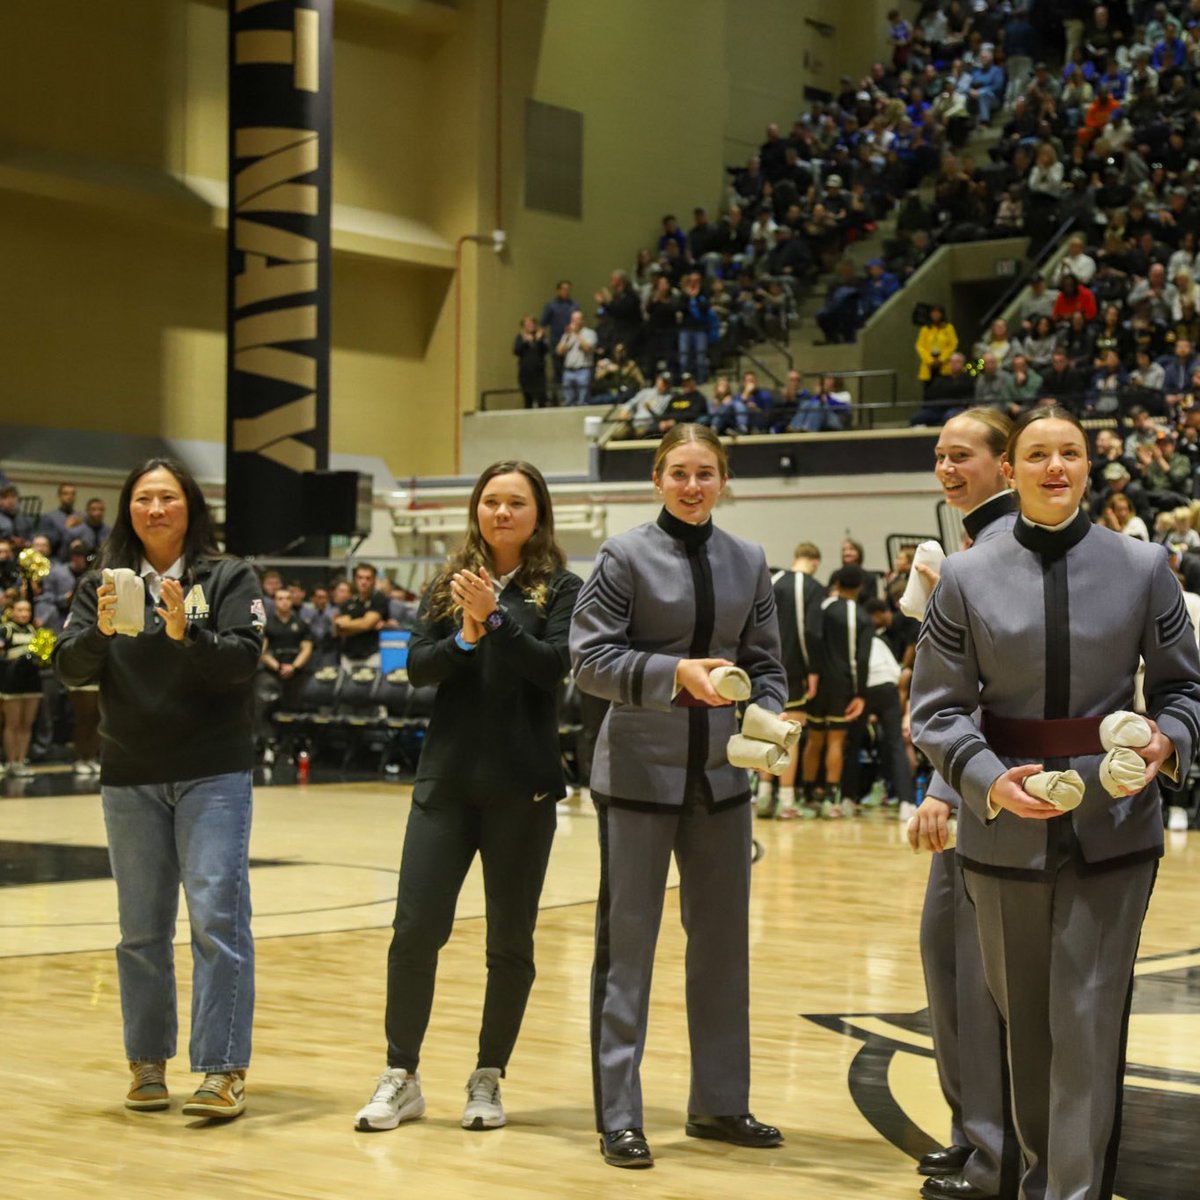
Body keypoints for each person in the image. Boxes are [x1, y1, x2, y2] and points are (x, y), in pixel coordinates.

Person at [911, 407, 1200, 1200]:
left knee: (1089, 1019)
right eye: (1038, 454)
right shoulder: (966, 577)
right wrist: (985, 779)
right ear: (1012, 471)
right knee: (1027, 1030)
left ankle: (1069, 1191)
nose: (1054, 467)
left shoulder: (1144, 568)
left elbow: (1185, 689)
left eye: (1069, 453)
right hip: (1004, 827)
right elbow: (934, 711)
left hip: (1115, 828)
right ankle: (1043, 1176)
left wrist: (1167, 741)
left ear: (1087, 468)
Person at [570, 423, 786, 1169]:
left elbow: (765, 662)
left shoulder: (748, 561)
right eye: (679, 474)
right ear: (657, 480)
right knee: (627, 949)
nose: (693, 486)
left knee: (724, 949)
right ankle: (619, 1115)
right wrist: (673, 676)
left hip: (723, 779)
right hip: (636, 777)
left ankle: (720, 1103)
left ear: (723, 481)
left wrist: (770, 717)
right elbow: (589, 660)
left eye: (706, 474)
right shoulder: (623, 555)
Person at [355, 461, 582, 1134]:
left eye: (516, 502)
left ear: (537, 514)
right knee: (415, 930)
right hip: (446, 786)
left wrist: (499, 622)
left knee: (510, 942)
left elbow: (552, 669)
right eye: (491, 501)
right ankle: (402, 1073)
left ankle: (488, 1077)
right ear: (476, 511)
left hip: (524, 789)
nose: (502, 512)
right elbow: (416, 669)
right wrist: (464, 633)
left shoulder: (561, 588)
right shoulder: (444, 587)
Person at [55, 456, 263, 1118]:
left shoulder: (226, 576)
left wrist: (184, 633)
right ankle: (146, 1064)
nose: (154, 509)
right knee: (140, 930)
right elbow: (68, 668)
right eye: (142, 498)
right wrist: (100, 631)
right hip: (129, 774)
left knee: (217, 921)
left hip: (213, 772)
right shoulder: (104, 584)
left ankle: (222, 1070)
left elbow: (242, 662)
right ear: (128, 510)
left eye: (167, 497)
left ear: (191, 507)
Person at [906, 408, 1018, 1200]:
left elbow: (987, 694)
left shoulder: (1001, 553)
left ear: (1004, 465)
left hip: (993, 790)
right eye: (940, 457)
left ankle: (994, 1148)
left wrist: (945, 787)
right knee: (946, 964)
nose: (949, 469)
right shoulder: (968, 550)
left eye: (964, 455)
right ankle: (970, 1128)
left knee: (980, 980)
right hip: (965, 782)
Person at [756, 541, 824, 819]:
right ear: (815, 562)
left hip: (764, 666)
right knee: (790, 735)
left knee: (767, 730)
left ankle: (762, 796)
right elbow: (813, 632)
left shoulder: (773, 580)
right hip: (794, 668)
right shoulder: (812, 587)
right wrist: (814, 671)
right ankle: (786, 800)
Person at [802, 565, 871, 817]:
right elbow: (861, 660)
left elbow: (810, 636)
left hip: (816, 682)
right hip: (843, 685)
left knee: (814, 738)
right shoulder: (861, 617)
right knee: (836, 740)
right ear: (860, 587)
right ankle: (832, 798)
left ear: (837, 583)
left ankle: (808, 793)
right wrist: (860, 693)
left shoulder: (823, 607)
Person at [1, 596, 43, 777]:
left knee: (27, 724)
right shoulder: (6, 630)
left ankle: (21, 760)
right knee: (13, 724)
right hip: (11, 682)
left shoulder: (35, 629)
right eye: (20, 610)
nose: (24, 614)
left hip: (32, 682)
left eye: (27, 610)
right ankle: (11, 761)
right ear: (12, 611)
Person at [334, 563, 389, 670]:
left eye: (368, 578)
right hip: (347, 657)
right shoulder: (349, 602)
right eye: (360, 578)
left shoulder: (378, 599)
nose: (363, 582)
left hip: (371, 657)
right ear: (355, 579)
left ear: (374, 581)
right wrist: (367, 625)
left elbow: (365, 625)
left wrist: (359, 624)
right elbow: (340, 628)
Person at [512, 315, 549, 408]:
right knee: (528, 399)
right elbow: (516, 351)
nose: (531, 326)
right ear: (523, 326)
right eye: (528, 324)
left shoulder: (540, 336)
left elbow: (546, 350)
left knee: (541, 398)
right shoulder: (520, 337)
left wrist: (538, 340)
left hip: (539, 373)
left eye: (532, 323)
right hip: (525, 373)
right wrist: (525, 341)